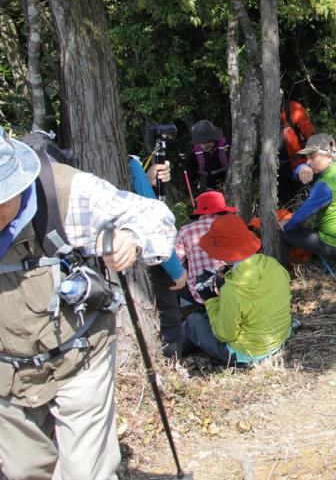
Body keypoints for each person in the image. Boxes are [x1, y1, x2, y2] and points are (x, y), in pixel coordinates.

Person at [0, 127, 176, 480]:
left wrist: (131, 239)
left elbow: (156, 217)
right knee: (22, 471)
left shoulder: (65, 193)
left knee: (85, 472)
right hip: (7, 368)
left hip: (79, 352)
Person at [181, 214, 292, 366]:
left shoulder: (233, 290)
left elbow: (224, 334)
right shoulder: (273, 264)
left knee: (193, 322)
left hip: (248, 353)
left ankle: (167, 352)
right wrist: (229, 274)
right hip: (279, 337)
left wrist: (210, 299)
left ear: (221, 251)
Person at [127, 155, 188, 358]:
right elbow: (151, 219)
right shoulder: (128, 163)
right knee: (168, 313)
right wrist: (175, 269)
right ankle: (171, 362)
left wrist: (147, 179)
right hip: (144, 254)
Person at [280, 134, 336, 261]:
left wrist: (285, 226)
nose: (308, 161)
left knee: (283, 234)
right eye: (307, 157)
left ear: (328, 156)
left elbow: (301, 216)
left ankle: (284, 272)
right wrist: (301, 168)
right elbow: (295, 174)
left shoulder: (325, 185)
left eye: (312, 156)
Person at [176, 190, 236, 306]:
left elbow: (175, 261)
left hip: (201, 294)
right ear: (222, 211)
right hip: (233, 289)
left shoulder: (186, 230)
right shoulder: (231, 227)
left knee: (173, 279)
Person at [280, 97, 316, 203]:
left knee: (306, 199)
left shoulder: (292, 108)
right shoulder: (261, 112)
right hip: (277, 169)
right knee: (285, 205)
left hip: (298, 164)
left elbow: (309, 131)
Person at [187, 119, 230, 191]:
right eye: (200, 143)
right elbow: (190, 173)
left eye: (206, 142)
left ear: (214, 139)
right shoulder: (195, 153)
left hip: (228, 186)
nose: (203, 146)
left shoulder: (226, 146)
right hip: (208, 189)